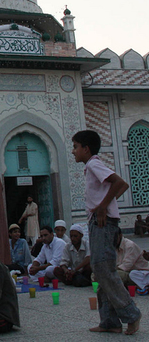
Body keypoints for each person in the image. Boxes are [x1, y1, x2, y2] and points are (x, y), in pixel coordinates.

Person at [72, 130, 141, 335]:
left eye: (76, 147)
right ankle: (109, 321)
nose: (73, 151)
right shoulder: (90, 167)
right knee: (100, 268)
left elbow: (120, 183)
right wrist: (104, 204)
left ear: (86, 148)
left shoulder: (93, 163)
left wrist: (103, 206)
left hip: (103, 223)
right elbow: (118, 187)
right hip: (99, 222)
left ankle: (131, 314)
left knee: (103, 268)